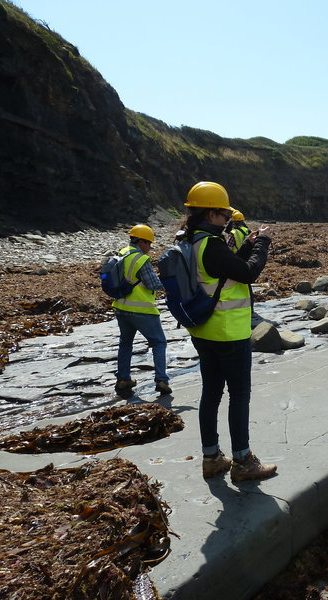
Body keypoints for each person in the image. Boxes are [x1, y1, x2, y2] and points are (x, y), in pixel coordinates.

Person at [181, 181, 277, 481]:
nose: (227, 219)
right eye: (224, 214)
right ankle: (243, 461)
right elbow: (247, 272)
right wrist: (262, 244)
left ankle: (212, 457)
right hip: (229, 333)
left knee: (210, 394)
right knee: (239, 395)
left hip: (203, 331)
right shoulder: (211, 245)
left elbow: (227, 269)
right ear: (211, 214)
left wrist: (247, 245)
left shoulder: (190, 241)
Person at [112, 224, 171, 399]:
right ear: (141, 241)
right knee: (159, 343)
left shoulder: (121, 253)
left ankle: (123, 379)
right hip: (142, 310)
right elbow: (153, 284)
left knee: (125, 343)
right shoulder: (141, 260)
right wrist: (169, 282)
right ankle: (162, 380)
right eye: (149, 243)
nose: (150, 248)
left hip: (121, 307)